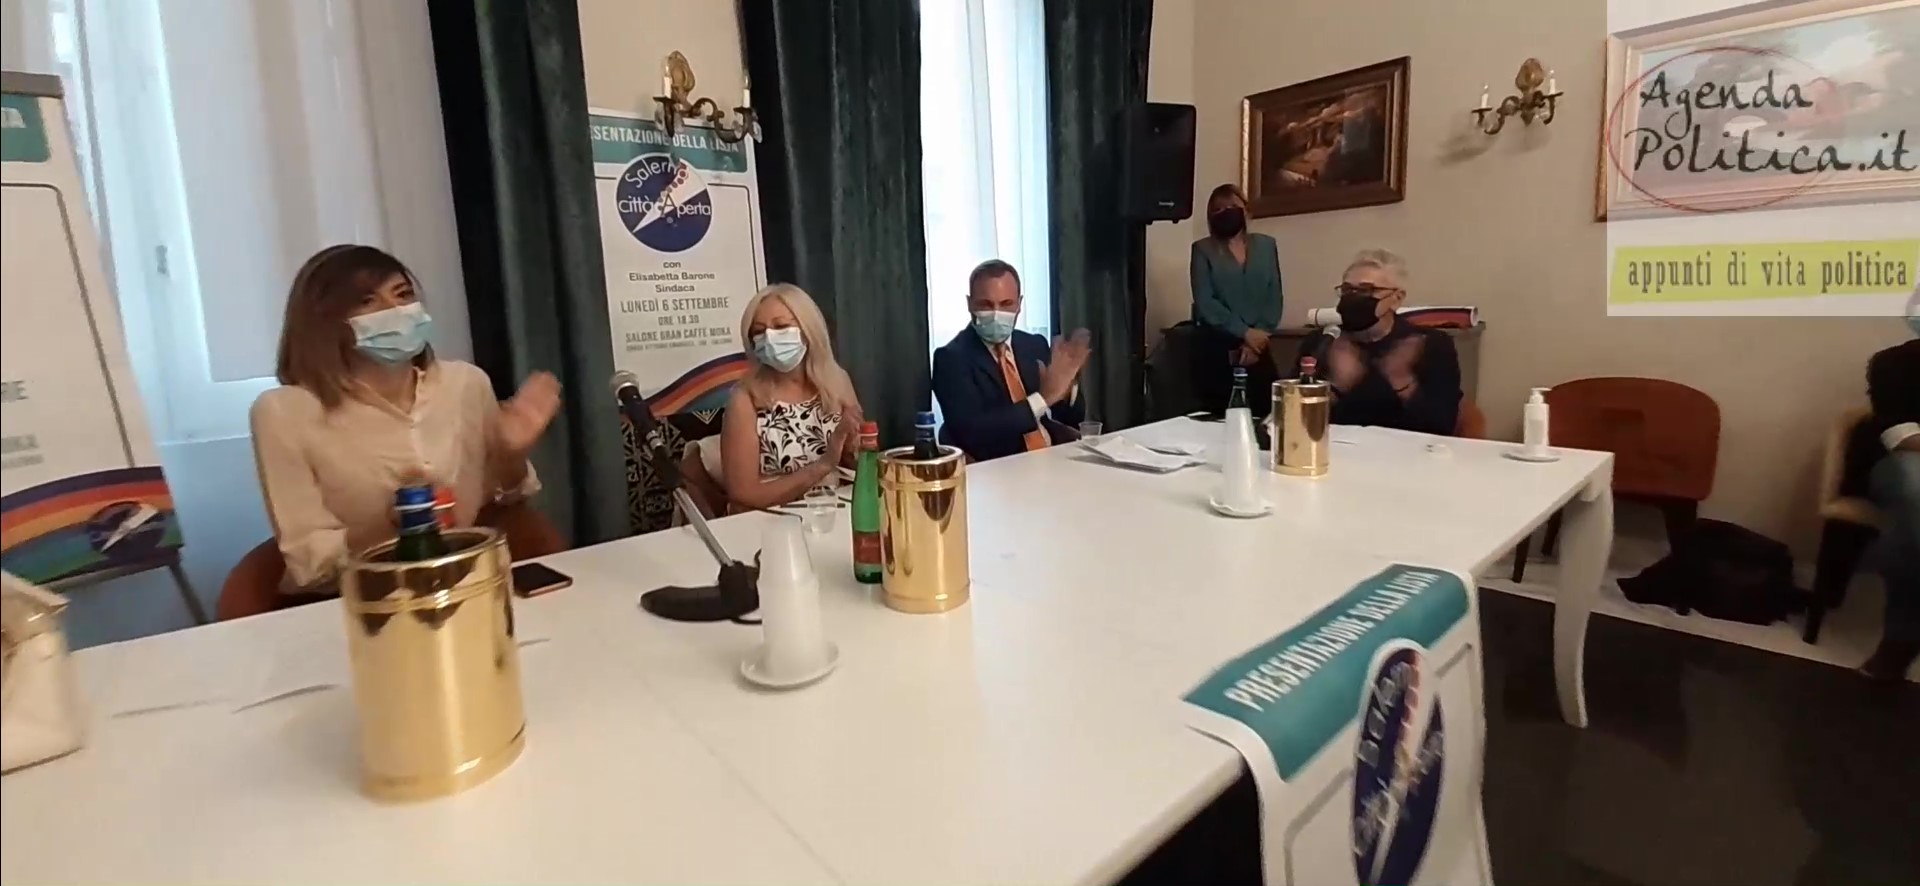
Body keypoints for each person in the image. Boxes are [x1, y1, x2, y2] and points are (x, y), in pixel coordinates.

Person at [251, 245, 559, 594]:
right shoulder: (283, 412)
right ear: (324, 321)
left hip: (463, 585)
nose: (395, 310)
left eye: (403, 294)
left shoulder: (466, 384)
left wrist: (511, 455)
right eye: (368, 301)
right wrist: (397, 526)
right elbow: (309, 562)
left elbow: (509, 502)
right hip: (353, 599)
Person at [716, 283, 863, 511]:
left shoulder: (836, 380)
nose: (769, 338)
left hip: (831, 512)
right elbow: (743, 494)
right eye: (759, 331)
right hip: (768, 520)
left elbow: (854, 462)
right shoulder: (745, 400)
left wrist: (855, 447)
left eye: (781, 326)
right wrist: (823, 465)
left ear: (808, 329)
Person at [932, 259, 1090, 461]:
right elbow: (974, 432)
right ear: (970, 304)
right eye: (986, 304)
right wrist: (1043, 398)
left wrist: (1067, 387)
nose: (996, 314)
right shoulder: (951, 359)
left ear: (1019, 304)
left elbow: (1072, 418)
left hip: (1052, 456)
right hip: (1001, 467)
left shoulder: (1033, 344)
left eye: (1006, 304)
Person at [1293, 249, 1460, 435]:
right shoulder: (1324, 341)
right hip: (1335, 448)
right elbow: (1293, 417)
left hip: (1404, 449)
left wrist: (1401, 379)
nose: (1354, 297)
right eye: (1347, 290)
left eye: (1366, 290)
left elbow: (1442, 426)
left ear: (1396, 299)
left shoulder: (1428, 344)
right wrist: (1336, 386)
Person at [1858, 308, 1920, 681]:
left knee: (1908, 534)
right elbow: (1901, 434)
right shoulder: (1894, 363)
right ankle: (1901, 640)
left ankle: (1900, 640)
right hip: (1898, 461)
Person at [1190, 183, 1283, 416]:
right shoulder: (1203, 249)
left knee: (1268, 413)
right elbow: (1205, 300)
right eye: (1218, 209)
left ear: (1245, 209)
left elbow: (1274, 293)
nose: (1226, 212)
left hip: (1259, 345)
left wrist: (1256, 338)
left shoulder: (1266, 245)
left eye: (1232, 206)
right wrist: (1244, 332)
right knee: (1221, 416)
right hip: (1218, 347)